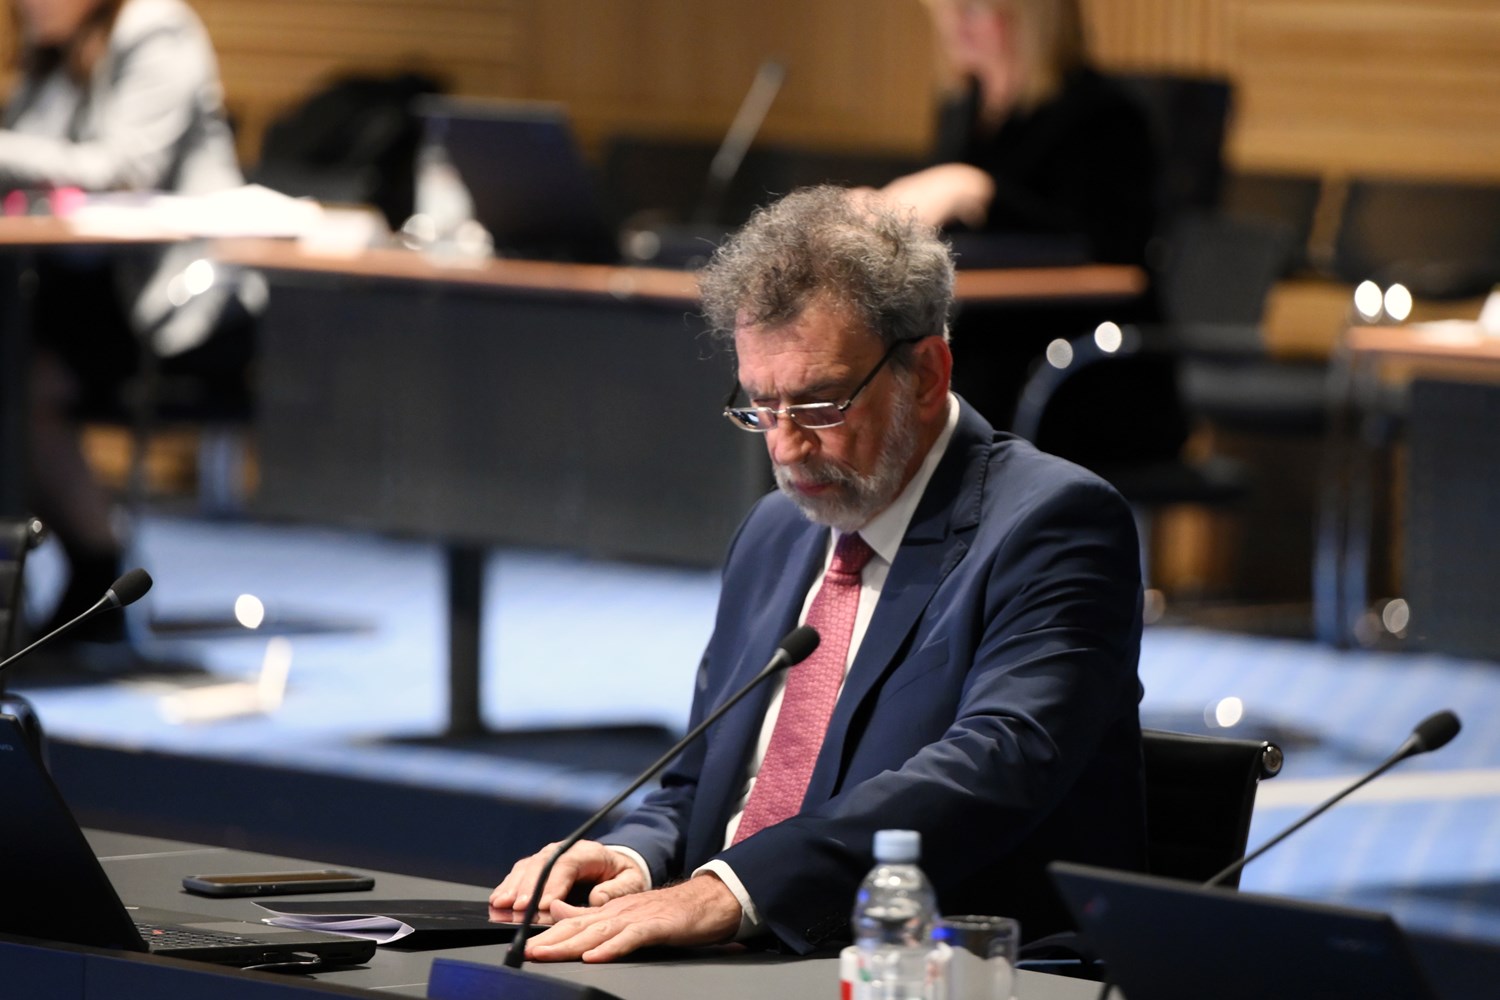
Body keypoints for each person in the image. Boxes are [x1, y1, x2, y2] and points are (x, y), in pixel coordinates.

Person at [491, 186, 1147, 961]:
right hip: (744, 957)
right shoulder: (775, 532)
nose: (786, 447)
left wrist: (731, 891)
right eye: (761, 406)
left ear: (927, 373)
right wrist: (633, 857)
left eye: (821, 405)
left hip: (937, 963)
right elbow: (701, 781)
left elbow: (994, 766)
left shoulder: (1054, 523)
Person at [2, 0, 247, 637]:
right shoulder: (51, 51)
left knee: (19, 380)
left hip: (173, 297)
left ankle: (98, 572)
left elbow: (124, 169)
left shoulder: (155, 28)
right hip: (79, 287)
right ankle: (77, 576)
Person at [876, 0, 1158, 266]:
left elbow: (1104, 246)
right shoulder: (962, 108)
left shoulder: (1102, 112)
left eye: (973, 9)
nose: (955, 24)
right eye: (948, 8)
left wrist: (980, 191)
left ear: (1031, 18)